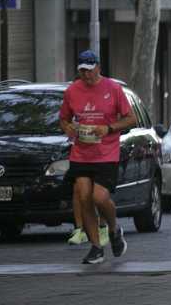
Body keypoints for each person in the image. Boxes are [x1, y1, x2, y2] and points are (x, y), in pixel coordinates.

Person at [58, 50, 136, 264]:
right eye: (82, 71)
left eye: (90, 71)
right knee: (83, 197)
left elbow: (131, 119)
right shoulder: (72, 91)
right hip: (81, 153)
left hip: (106, 152)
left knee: (99, 198)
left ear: (98, 68)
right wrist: (69, 129)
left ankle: (114, 229)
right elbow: (64, 119)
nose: (86, 75)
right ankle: (96, 247)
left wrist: (109, 128)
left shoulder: (113, 88)